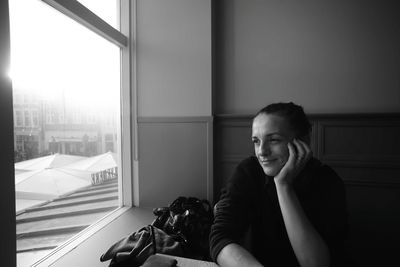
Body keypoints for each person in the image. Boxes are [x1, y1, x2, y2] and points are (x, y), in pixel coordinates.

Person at [210, 102, 349, 267]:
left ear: (303, 141)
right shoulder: (249, 172)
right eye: (256, 141)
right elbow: (220, 238)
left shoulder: (326, 181)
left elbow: (316, 264)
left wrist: (283, 186)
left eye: (274, 140)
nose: (262, 151)